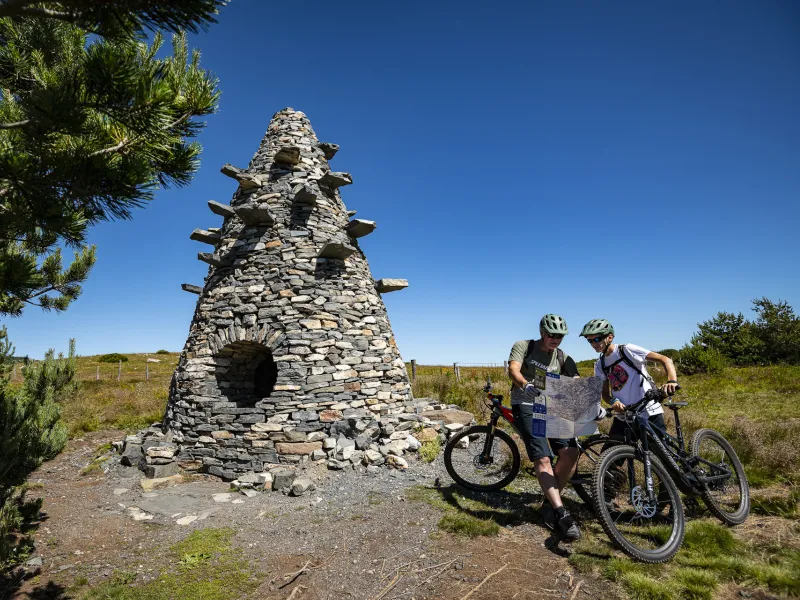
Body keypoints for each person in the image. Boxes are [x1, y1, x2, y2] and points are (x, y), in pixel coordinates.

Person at [508, 314, 581, 541]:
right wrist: (525, 384)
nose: (556, 339)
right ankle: (560, 512)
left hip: (552, 407)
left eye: (560, 336)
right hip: (527, 403)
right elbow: (513, 369)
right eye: (552, 335)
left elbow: (577, 383)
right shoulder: (524, 346)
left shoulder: (562, 357)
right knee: (543, 459)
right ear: (542, 332)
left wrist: (590, 405)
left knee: (570, 452)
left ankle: (549, 502)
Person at [578, 318, 678, 440]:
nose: (594, 343)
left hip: (648, 410)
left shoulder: (627, 350)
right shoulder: (600, 364)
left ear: (609, 337)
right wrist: (613, 401)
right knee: (612, 455)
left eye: (597, 339)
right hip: (624, 415)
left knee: (660, 454)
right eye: (590, 341)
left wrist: (672, 381)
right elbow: (605, 393)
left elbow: (665, 359)